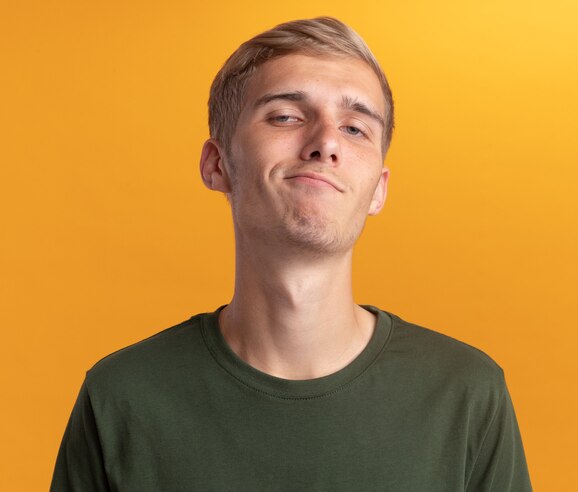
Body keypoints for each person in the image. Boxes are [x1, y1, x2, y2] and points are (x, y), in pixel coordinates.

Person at [51, 17, 532, 491]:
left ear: (378, 190)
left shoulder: (467, 395)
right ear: (218, 164)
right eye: (286, 116)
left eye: (356, 128)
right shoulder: (121, 397)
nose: (325, 143)